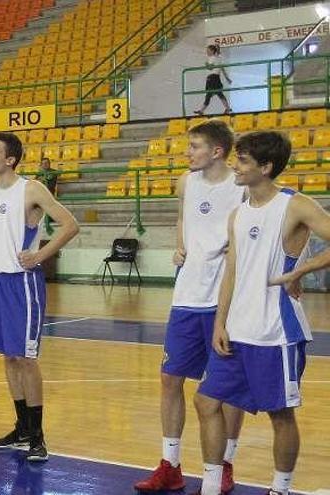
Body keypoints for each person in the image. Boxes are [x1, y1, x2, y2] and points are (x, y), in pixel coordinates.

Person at [193, 131, 327, 495]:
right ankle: (210, 485)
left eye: (244, 161)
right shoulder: (238, 213)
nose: (235, 165)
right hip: (237, 329)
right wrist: (220, 322)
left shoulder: (295, 205)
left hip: (276, 331)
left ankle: (280, 489)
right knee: (205, 401)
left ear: (266, 167)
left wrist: (300, 270)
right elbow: (232, 272)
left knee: (280, 415)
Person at [135, 119, 246, 493]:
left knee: (224, 389)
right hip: (186, 296)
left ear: (216, 151)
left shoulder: (241, 184)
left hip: (226, 300)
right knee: (170, 379)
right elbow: (183, 216)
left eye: (195, 146)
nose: (188, 152)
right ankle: (171, 464)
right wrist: (180, 243)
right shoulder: (186, 181)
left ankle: (224, 464)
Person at [0, 132, 79, 462]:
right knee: (9, 357)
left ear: (10, 159)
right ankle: (22, 429)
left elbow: (69, 224)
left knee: (25, 358)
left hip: (23, 283)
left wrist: (40, 255)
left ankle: (38, 437)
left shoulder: (32, 188)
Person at [194, 45, 232, 116]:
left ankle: (201, 110)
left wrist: (206, 64)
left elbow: (210, 68)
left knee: (209, 94)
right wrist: (227, 78)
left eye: (208, 51)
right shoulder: (219, 58)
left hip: (212, 78)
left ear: (212, 51)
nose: (207, 52)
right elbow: (222, 68)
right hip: (216, 78)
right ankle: (227, 108)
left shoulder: (212, 58)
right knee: (219, 93)